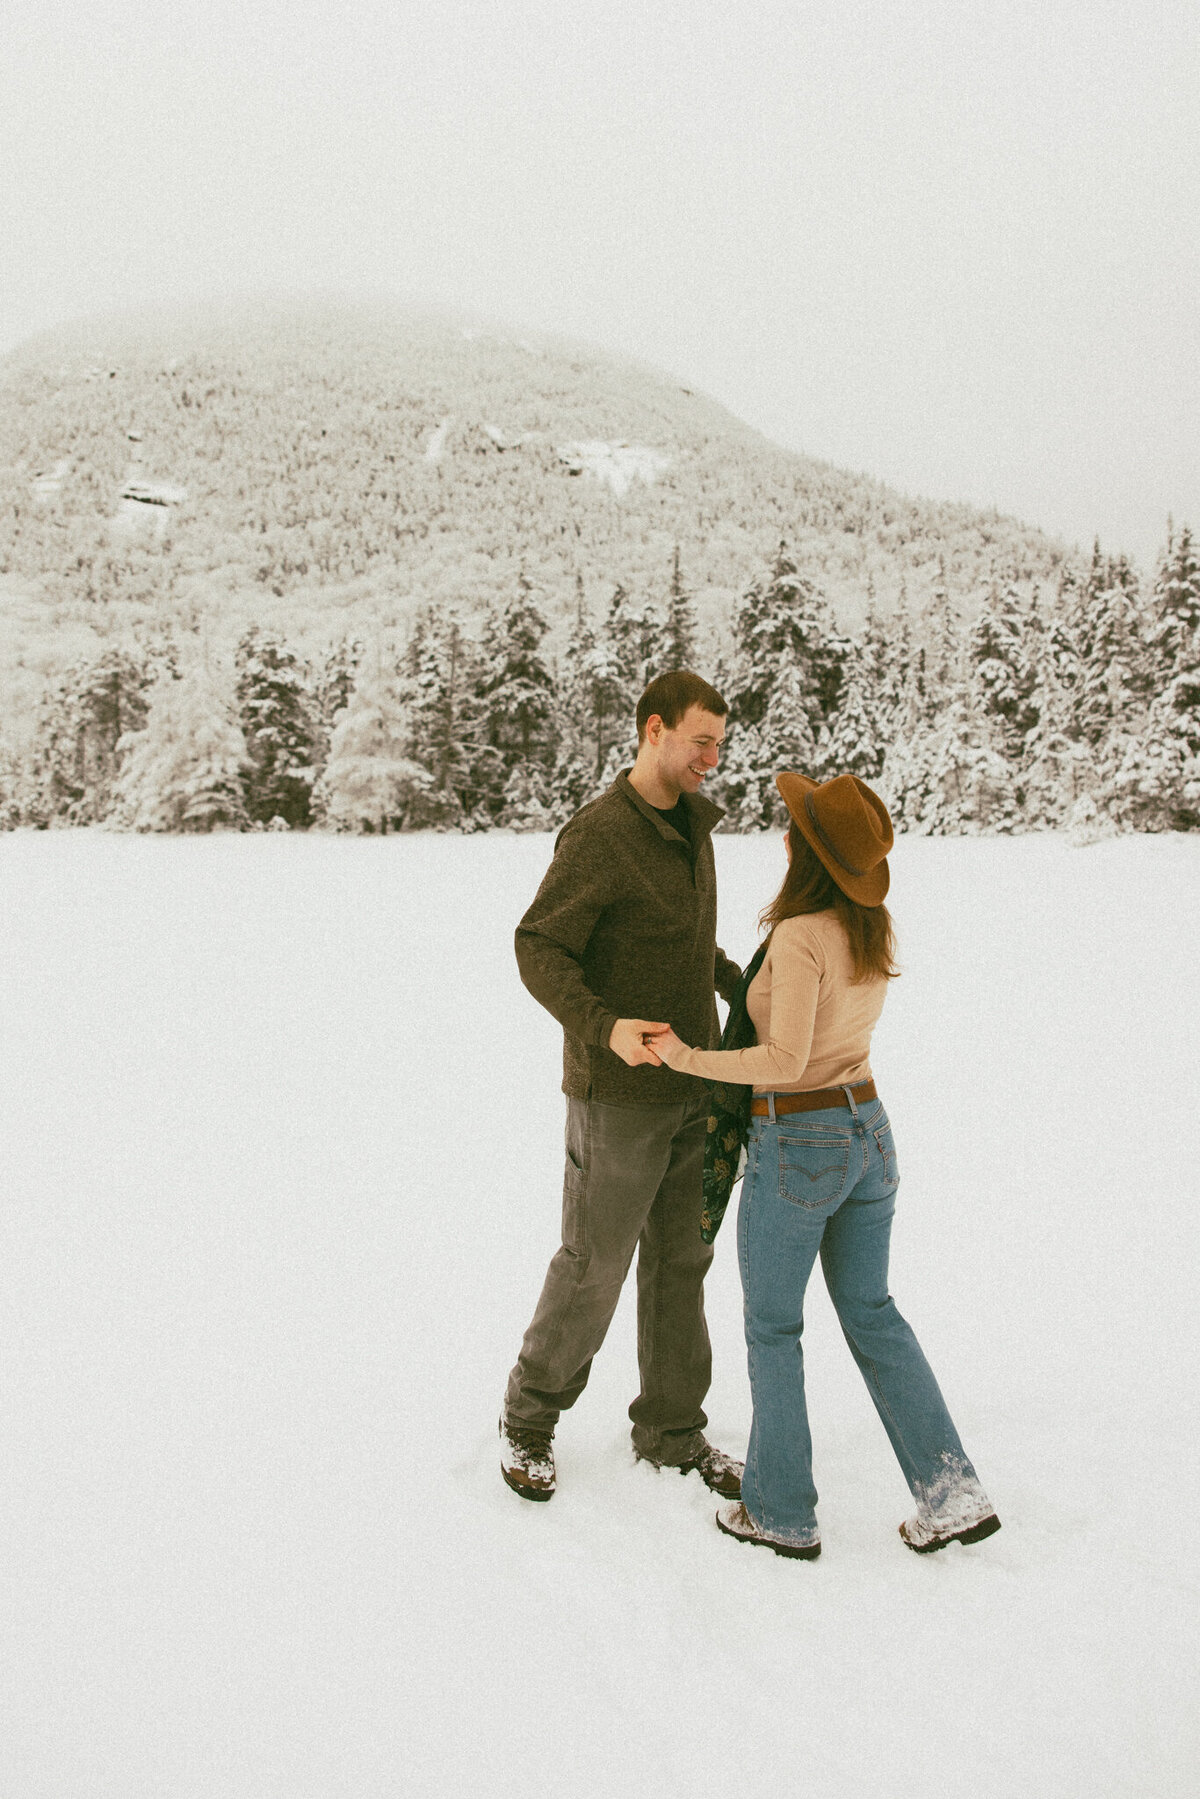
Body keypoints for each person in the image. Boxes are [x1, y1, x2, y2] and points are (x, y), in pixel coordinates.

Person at [652, 770, 1000, 1558]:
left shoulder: (804, 932)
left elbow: (783, 1058)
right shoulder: (867, 924)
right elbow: (807, 1025)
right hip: (867, 1130)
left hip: (800, 1141)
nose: (783, 832)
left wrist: (688, 1056)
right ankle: (951, 1492)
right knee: (874, 1314)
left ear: (804, 852)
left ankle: (779, 1511)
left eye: (794, 826)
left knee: (773, 1327)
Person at [500, 671, 746, 1503]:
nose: (715, 758)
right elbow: (539, 946)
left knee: (683, 1262)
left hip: (695, 1087)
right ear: (653, 730)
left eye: (721, 742)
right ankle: (530, 1416)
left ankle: (673, 1427)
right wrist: (604, 1026)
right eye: (701, 741)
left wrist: (741, 985)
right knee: (594, 1263)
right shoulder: (601, 833)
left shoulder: (694, 827)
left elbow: (689, 939)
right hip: (615, 1099)